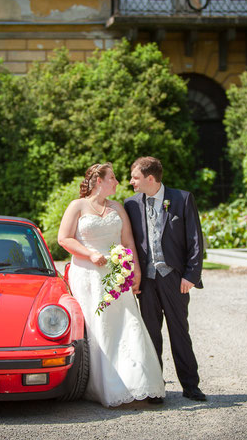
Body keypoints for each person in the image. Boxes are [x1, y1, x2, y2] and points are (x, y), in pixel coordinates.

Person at [58, 162, 166, 407]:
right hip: (87, 274)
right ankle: (101, 385)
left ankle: (139, 382)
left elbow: (127, 241)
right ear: (99, 181)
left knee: (129, 322)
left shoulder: (118, 207)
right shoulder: (77, 206)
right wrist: (89, 254)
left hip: (117, 274)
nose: (118, 182)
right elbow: (63, 238)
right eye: (113, 178)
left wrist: (135, 270)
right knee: (98, 326)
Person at [123, 156, 206, 402]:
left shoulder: (182, 199)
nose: (131, 182)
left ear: (150, 178)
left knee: (180, 332)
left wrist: (191, 275)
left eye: (135, 177)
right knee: (150, 334)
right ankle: (155, 387)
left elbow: (195, 239)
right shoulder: (130, 204)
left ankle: (191, 386)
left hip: (174, 278)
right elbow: (128, 243)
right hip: (146, 281)